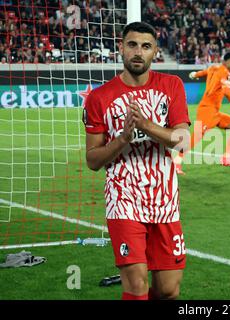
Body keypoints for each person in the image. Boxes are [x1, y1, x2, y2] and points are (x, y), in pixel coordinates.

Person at [83, 22, 190, 300]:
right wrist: (122, 139)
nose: (138, 52)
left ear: (155, 51)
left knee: (168, 290)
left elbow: (183, 139)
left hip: (165, 201)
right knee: (137, 286)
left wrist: (146, 125)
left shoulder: (172, 86)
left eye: (145, 46)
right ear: (121, 48)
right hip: (123, 200)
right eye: (132, 45)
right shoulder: (99, 97)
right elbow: (92, 160)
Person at [173, 52, 230, 175]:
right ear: (228, 61)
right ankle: (176, 162)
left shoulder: (214, 68)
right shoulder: (226, 73)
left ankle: (226, 157)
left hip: (214, 112)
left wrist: (194, 75)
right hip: (207, 110)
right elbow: (227, 92)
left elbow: (203, 73)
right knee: (197, 136)